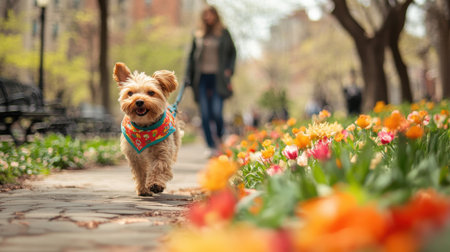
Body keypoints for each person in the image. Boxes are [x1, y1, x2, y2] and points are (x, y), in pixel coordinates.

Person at [184, 5, 237, 154]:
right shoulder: (198, 34)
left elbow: (233, 53)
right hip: (201, 79)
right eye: (205, 15)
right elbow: (191, 58)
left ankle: (220, 137)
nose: (208, 17)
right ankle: (210, 146)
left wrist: (229, 70)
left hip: (218, 79)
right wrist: (188, 76)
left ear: (215, 15)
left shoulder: (224, 33)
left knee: (216, 112)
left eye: (210, 14)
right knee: (205, 114)